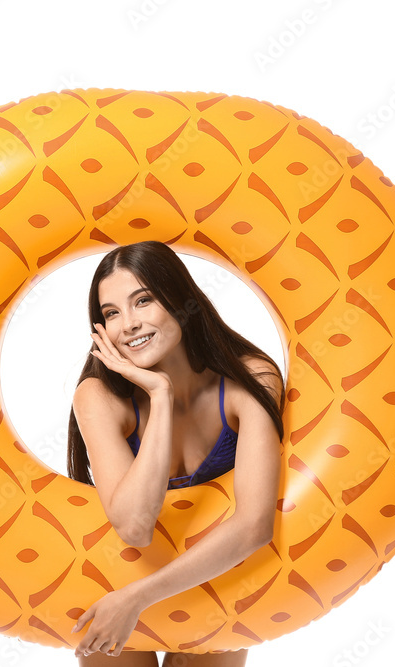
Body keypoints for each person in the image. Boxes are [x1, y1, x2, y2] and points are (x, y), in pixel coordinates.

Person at [66, 241, 285, 666]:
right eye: (111, 313)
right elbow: (134, 527)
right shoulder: (99, 397)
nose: (128, 325)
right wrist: (160, 394)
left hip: (215, 575)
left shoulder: (250, 380)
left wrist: (138, 598)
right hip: (120, 571)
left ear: (181, 299)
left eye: (143, 300)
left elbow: (255, 525)